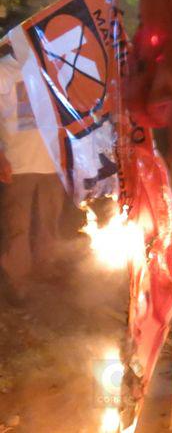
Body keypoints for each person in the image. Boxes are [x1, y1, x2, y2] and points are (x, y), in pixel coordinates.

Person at [0, 55, 67, 306]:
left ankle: (46, 271)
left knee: (50, 221)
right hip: (19, 163)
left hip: (54, 162)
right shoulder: (5, 70)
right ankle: (19, 282)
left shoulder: (55, 64)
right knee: (18, 225)